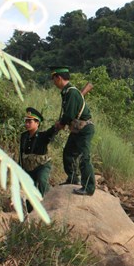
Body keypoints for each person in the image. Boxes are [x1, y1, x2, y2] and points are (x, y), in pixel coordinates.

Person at [51, 66, 96, 196]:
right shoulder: (68, 92)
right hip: (77, 129)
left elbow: (69, 114)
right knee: (68, 153)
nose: (54, 83)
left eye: (54, 79)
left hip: (84, 129)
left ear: (59, 78)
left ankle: (89, 187)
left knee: (84, 157)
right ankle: (72, 178)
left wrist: (61, 123)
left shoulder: (71, 92)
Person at [18, 107, 57, 211]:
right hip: (29, 168)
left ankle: (45, 200)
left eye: (30, 121)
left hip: (42, 166)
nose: (27, 124)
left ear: (37, 123)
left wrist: (57, 126)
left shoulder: (42, 136)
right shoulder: (24, 136)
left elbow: (51, 132)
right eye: (26, 121)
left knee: (42, 180)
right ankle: (30, 208)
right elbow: (21, 154)